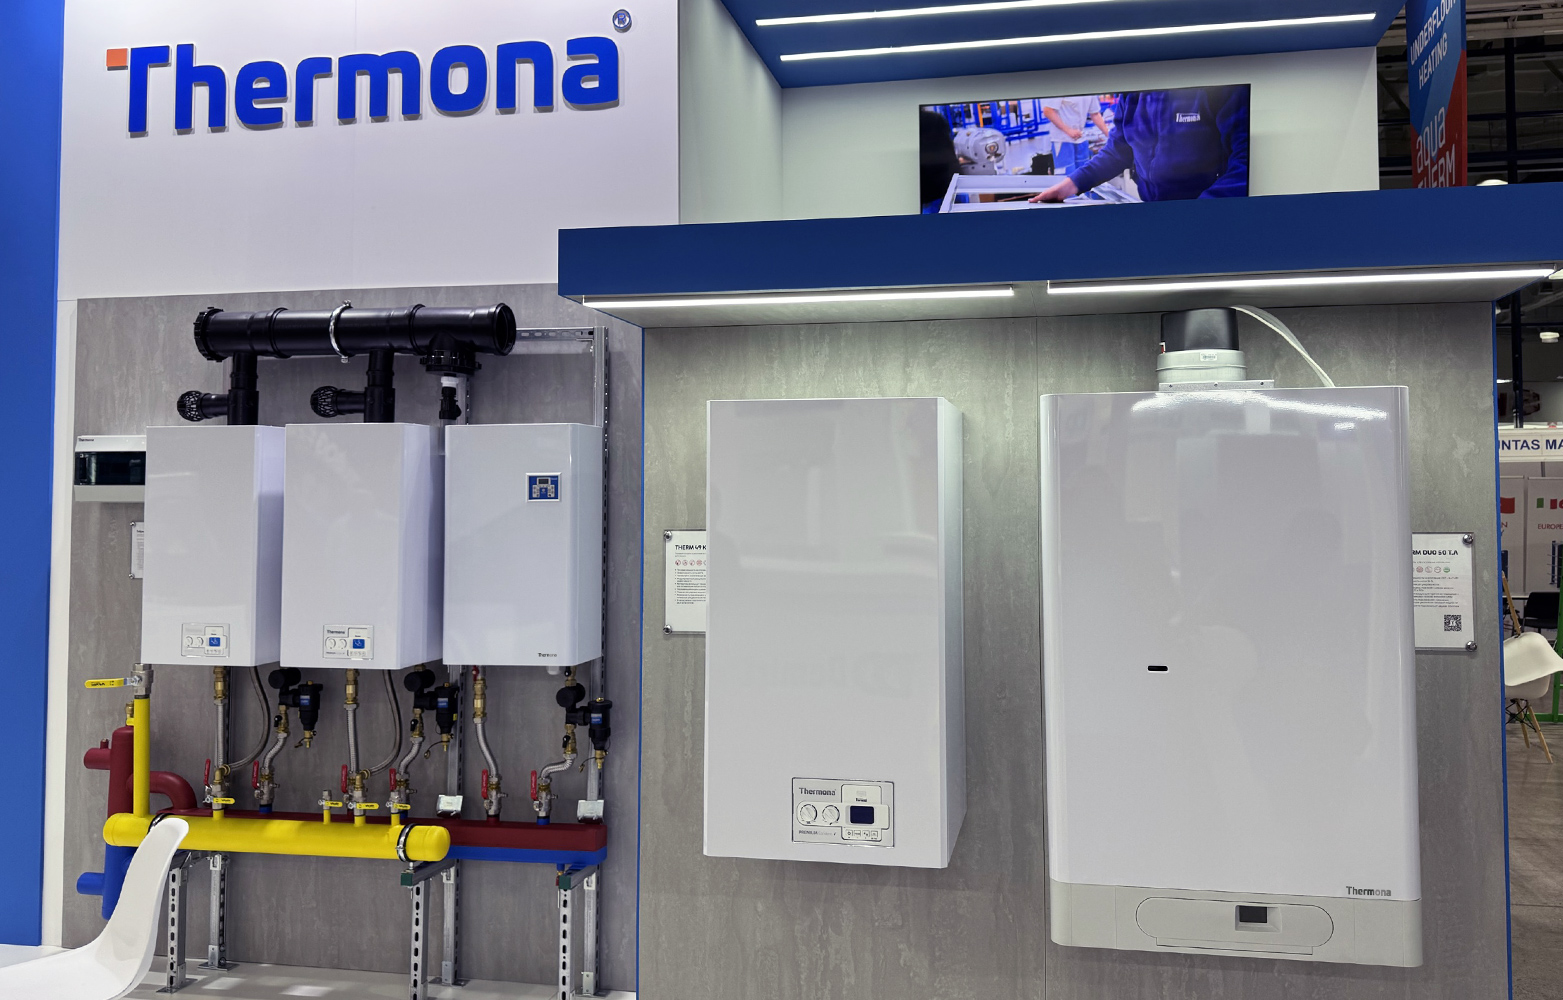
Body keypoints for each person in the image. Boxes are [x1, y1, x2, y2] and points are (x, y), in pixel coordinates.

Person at [1030, 86, 1249, 204]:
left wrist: (1204, 212)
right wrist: (1071, 185)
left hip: (1208, 212)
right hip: (1153, 209)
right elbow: (1118, 150)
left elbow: (1246, 160)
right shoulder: (1134, 93)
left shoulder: (1216, 85)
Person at [1041, 95, 1110, 176]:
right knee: (1066, 176)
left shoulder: (1091, 91)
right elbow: (1048, 110)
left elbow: (1095, 114)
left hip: (1081, 138)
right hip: (1062, 140)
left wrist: (1109, 135)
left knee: (1084, 175)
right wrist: (1068, 130)